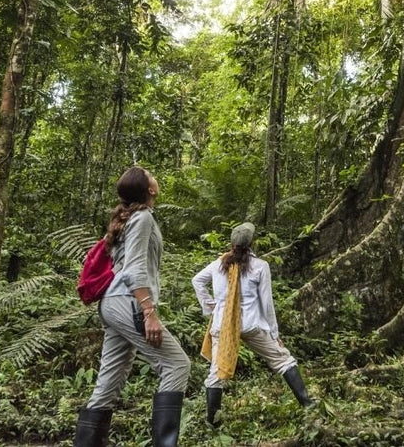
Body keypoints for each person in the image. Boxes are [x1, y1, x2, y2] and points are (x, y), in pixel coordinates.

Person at [74, 167, 191, 447]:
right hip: (128, 303)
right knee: (177, 365)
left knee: (108, 382)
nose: (155, 176)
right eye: (151, 175)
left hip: (113, 305)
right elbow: (134, 269)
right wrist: (149, 311)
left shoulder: (130, 219)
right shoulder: (143, 218)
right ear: (149, 190)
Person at [191, 222, 314, 427]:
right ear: (252, 243)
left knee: (216, 373)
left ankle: (213, 422)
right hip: (252, 325)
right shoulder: (260, 266)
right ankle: (308, 405)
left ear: (232, 243)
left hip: (223, 325)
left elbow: (196, 281)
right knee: (283, 360)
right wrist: (274, 332)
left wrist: (210, 305)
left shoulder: (219, 263)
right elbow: (267, 303)